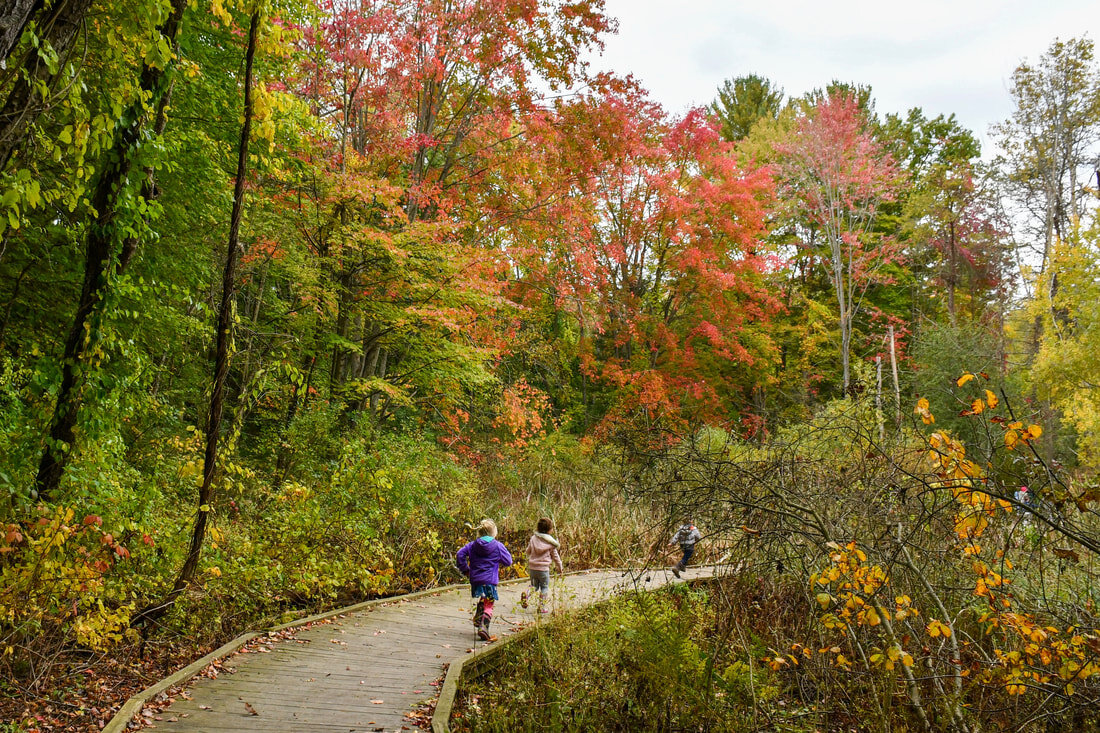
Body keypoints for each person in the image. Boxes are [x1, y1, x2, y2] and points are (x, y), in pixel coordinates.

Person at [456, 519, 513, 641]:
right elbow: (508, 561)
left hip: (475, 579)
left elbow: (460, 554)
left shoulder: (472, 545)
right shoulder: (497, 546)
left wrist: (466, 569)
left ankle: (478, 617)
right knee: (489, 603)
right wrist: (498, 559)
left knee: (484, 597)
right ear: (494, 533)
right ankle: (484, 627)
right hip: (490, 580)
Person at [522, 517, 563, 614]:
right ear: (549, 530)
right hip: (544, 569)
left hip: (533, 568)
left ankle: (527, 594)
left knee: (534, 586)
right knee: (544, 587)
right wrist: (560, 567)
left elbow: (528, 551)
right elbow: (555, 556)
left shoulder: (533, 538)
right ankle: (541, 607)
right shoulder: (550, 542)